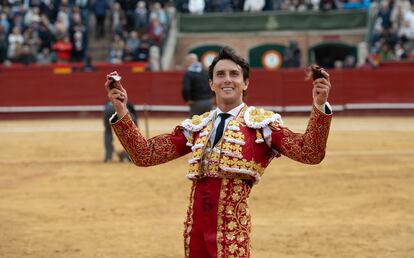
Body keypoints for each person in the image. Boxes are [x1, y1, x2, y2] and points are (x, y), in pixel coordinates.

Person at [104, 46, 332, 257]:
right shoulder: (197, 126)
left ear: (246, 83)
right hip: (195, 231)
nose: (227, 79)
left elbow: (309, 153)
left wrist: (319, 105)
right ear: (211, 84)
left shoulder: (262, 125)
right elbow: (145, 154)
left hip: (232, 231)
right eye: (220, 74)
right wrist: (121, 109)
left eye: (234, 74)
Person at [182, 53, 214, 117]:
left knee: (193, 123)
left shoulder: (189, 73)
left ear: (189, 61)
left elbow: (186, 89)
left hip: (196, 102)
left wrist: (187, 99)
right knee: (208, 122)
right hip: (209, 101)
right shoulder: (205, 71)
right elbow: (212, 84)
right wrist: (213, 97)